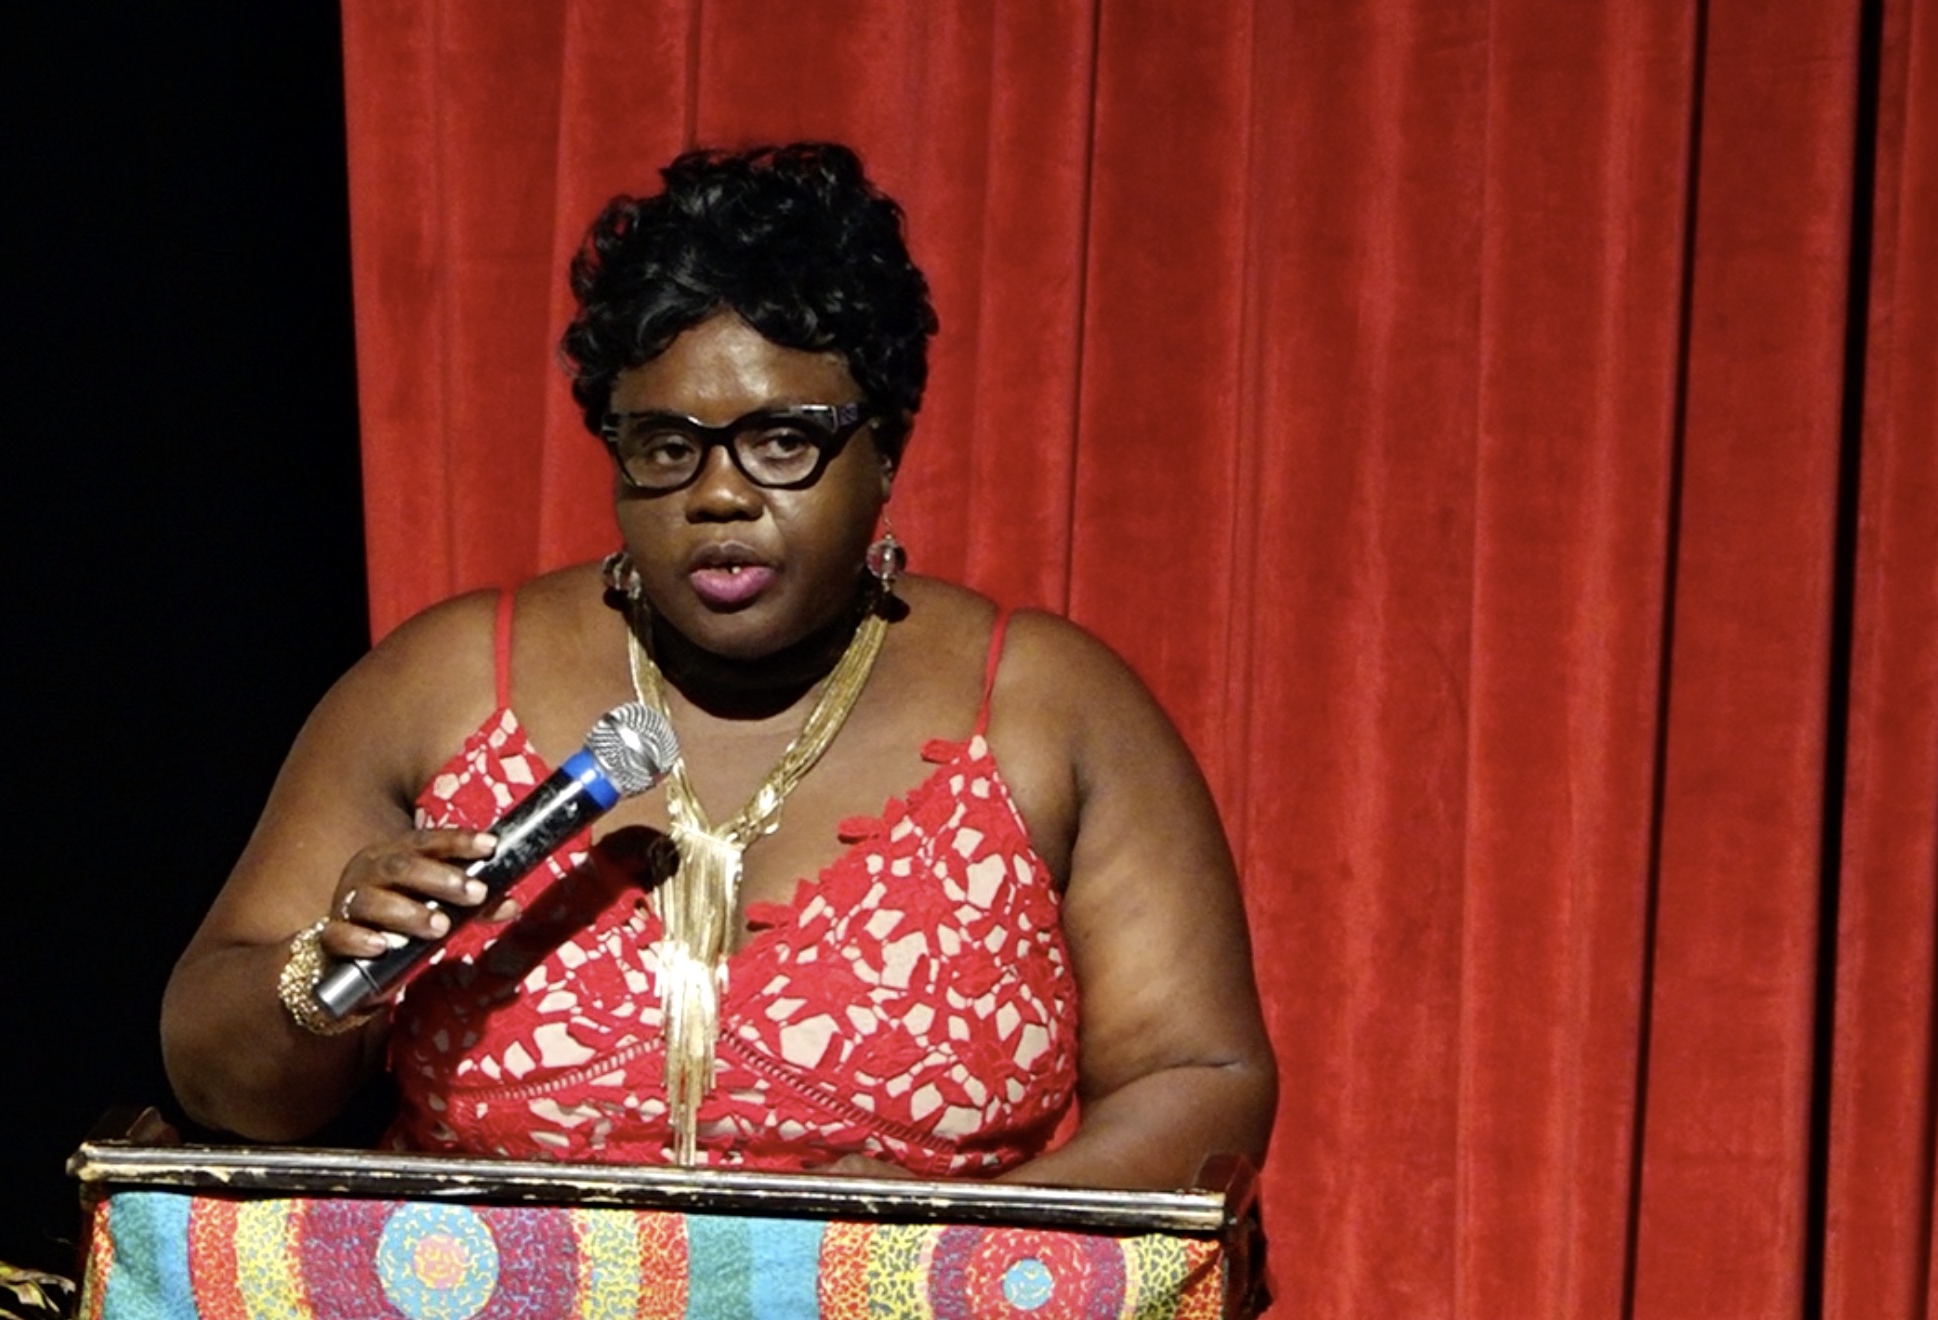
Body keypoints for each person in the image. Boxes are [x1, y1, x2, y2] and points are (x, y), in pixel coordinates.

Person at [161, 142, 1274, 1189]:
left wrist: (962, 1257)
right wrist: (324, 977)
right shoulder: (443, 683)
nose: (721, 492)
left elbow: (1199, 1081)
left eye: (783, 440)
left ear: (883, 448)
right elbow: (222, 1079)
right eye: (665, 446)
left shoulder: (1048, 706)